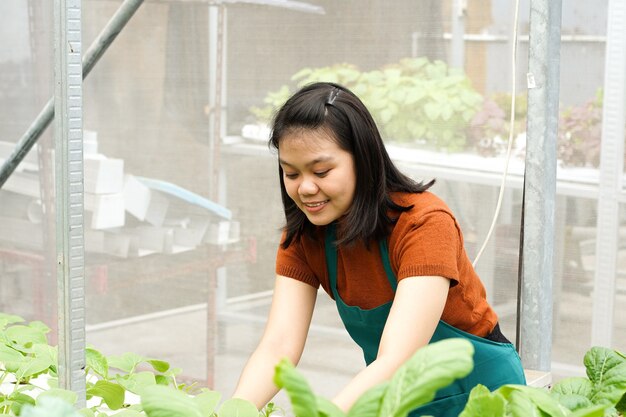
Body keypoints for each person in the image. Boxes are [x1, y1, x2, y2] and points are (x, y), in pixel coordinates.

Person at [232, 82, 526, 416]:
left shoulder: (424, 223)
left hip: (483, 399)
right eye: (291, 173)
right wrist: (229, 412)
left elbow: (398, 357)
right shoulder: (304, 239)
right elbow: (278, 347)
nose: (306, 188)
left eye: (321, 171)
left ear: (363, 159)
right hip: (396, 400)